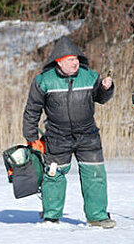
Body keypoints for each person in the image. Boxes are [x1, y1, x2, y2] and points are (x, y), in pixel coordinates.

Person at [22, 36, 116, 228]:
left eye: (77, 59)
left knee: (95, 175)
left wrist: (106, 88)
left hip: (88, 135)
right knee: (54, 176)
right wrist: (31, 137)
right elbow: (32, 110)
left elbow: (101, 98)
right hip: (57, 137)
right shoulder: (43, 81)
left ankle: (97, 217)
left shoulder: (89, 76)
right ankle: (51, 216)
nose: (75, 63)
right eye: (71, 60)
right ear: (59, 62)